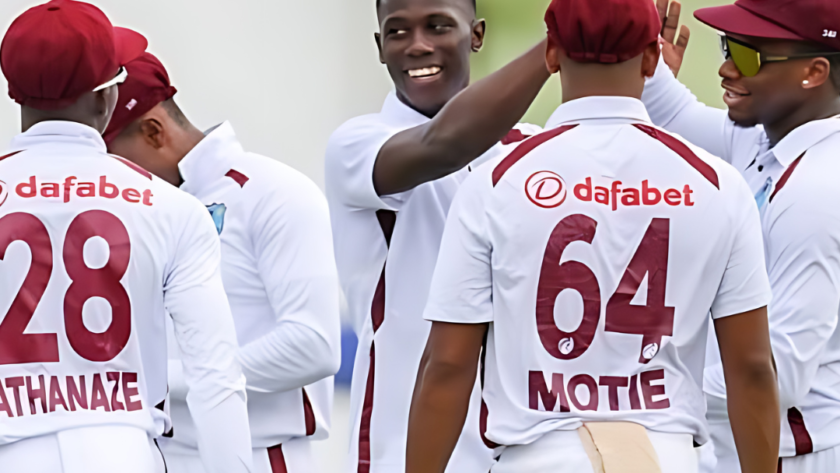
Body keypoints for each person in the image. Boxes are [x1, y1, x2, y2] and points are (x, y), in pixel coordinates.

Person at [406, 0, 782, 471]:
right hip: (665, 456)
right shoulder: (718, 184)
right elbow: (751, 368)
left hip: (537, 457)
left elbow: (446, 366)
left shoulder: (497, 180)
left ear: (551, 55)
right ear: (651, 59)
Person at [0, 1, 252, 472]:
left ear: (15, 93)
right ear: (106, 97)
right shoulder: (173, 207)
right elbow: (216, 378)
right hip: (122, 450)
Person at [325, 0, 552, 470]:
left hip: (523, 449)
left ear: (477, 35)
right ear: (380, 48)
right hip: (403, 448)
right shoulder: (359, 142)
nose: (418, 45)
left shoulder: (532, 148)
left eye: (438, 26)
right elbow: (444, 144)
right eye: (397, 32)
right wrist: (560, 40)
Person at [103, 50, 342, 473]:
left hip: (263, 457)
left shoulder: (275, 191)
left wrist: (160, 380)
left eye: (111, 156)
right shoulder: (142, 211)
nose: (108, 176)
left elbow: (313, 345)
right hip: (155, 456)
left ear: (154, 132)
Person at [644, 0, 840, 471]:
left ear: (813, 72)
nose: (725, 68)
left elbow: (781, 374)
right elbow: (675, 116)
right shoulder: (768, 137)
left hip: (791, 454)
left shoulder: (816, 192)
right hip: (743, 436)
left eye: (748, 56)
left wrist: (637, 385)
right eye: (726, 45)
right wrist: (641, 59)